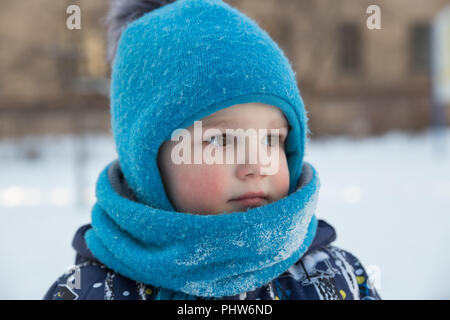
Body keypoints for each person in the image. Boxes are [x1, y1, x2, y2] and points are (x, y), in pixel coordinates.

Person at [43, 0, 381, 300]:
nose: (257, 165)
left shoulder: (335, 279)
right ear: (148, 164)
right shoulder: (90, 291)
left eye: (271, 139)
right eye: (220, 141)